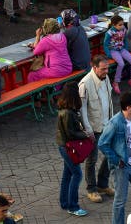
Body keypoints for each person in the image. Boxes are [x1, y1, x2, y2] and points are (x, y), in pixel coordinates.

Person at [98, 91, 131, 224]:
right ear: (128, 108)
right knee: (120, 200)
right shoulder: (114, 123)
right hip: (122, 167)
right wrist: (116, 160)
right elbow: (103, 144)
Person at [79, 55, 114, 204]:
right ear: (94, 68)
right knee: (91, 160)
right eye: (103, 69)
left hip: (107, 124)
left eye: (107, 68)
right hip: (93, 128)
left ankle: (102, 184)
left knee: (111, 154)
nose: (106, 71)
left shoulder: (105, 78)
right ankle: (91, 189)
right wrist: (88, 130)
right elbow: (82, 111)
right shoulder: (85, 84)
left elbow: (109, 101)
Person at [56, 81, 90, 217]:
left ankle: (64, 202)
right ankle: (73, 206)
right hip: (68, 147)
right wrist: (85, 134)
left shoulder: (65, 110)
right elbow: (71, 133)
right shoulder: (68, 113)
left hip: (64, 145)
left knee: (67, 174)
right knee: (77, 174)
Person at [27, 18, 72, 82]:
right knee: (43, 71)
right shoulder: (62, 36)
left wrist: (38, 36)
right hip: (68, 68)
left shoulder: (46, 40)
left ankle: (38, 92)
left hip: (56, 71)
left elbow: (36, 52)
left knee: (32, 75)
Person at [104, 15, 131, 94]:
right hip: (113, 51)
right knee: (121, 64)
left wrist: (125, 48)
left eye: (123, 24)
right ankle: (116, 82)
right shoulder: (109, 33)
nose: (122, 26)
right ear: (114, 25)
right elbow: (105, 44)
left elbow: (125, 39)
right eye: (120, 25)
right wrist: (109, 54)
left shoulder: (124, 29)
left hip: (122, 49)